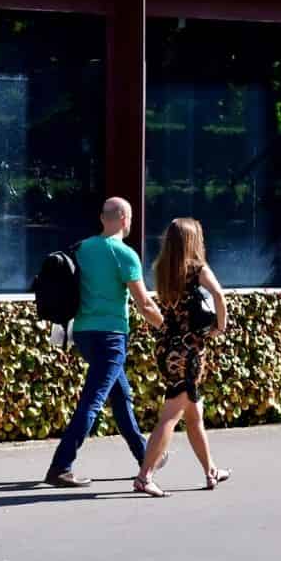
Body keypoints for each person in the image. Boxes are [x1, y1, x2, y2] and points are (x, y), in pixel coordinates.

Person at [45, 197, 164, 487]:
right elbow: (144, 303)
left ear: (103, 218)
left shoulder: (83, 248)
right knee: (93, 401)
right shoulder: (124, 254)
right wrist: (167, 327)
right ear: (125, 219)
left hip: (84, 333)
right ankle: (60, 466)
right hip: (110, 337)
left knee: (121, 397)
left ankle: (146, 456)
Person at [134, 217, 231, 497]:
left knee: (193, 415)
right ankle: (145, 476)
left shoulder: (162, 269)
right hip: (190, 352)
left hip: (168, 347)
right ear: (193, 240)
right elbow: (219, 296)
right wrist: (219, 328)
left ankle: (210, 470)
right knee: (172, 415)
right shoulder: (198, 268)